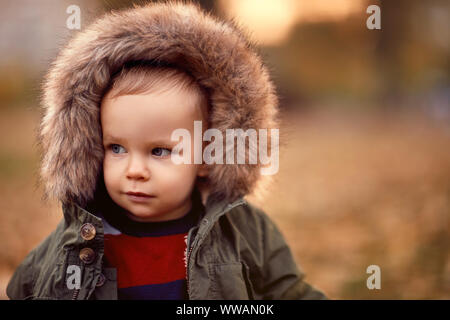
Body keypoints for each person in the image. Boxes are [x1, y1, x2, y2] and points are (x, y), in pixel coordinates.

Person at [7, 1, 327, 300]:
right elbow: (24, 288)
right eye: (116, 148)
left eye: (159, 152)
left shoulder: (243, 230)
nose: (134, 170)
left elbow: (290, 292)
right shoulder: (80, 238)